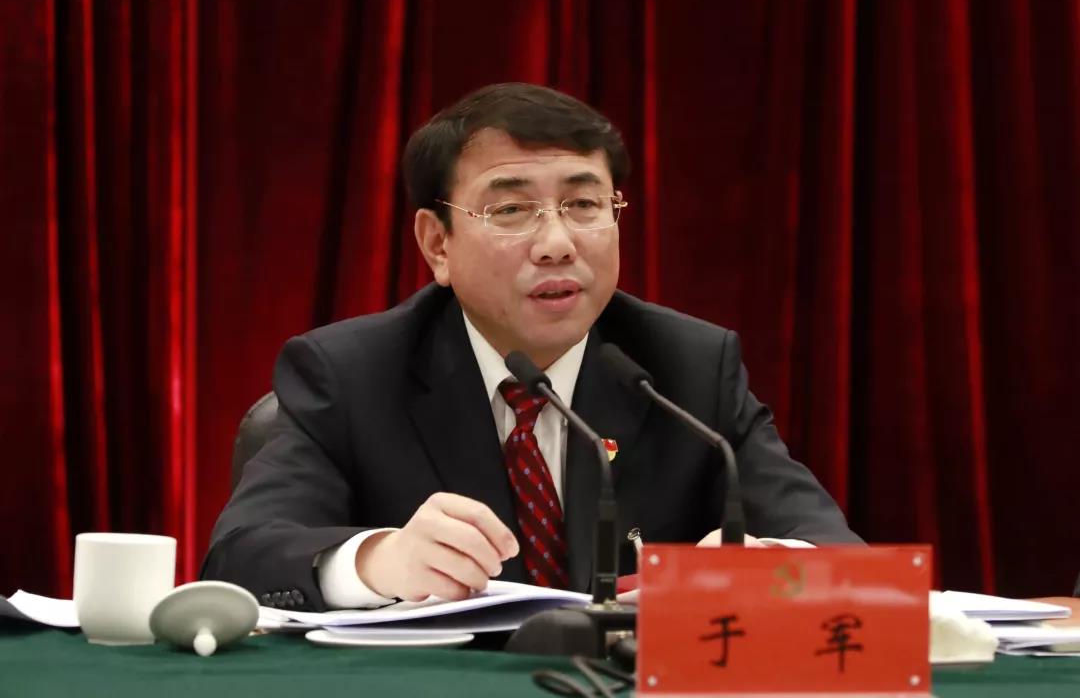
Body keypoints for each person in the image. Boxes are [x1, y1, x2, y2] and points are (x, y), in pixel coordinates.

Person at [201, 83, 861, 612]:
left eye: (584, 204)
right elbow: (240, 557)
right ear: (437, 244)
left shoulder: (686, 368)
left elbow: (837, 551)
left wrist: (771, 564)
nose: (557, 244)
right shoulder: (352, 374)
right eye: (511, 211)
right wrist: (377, 561)